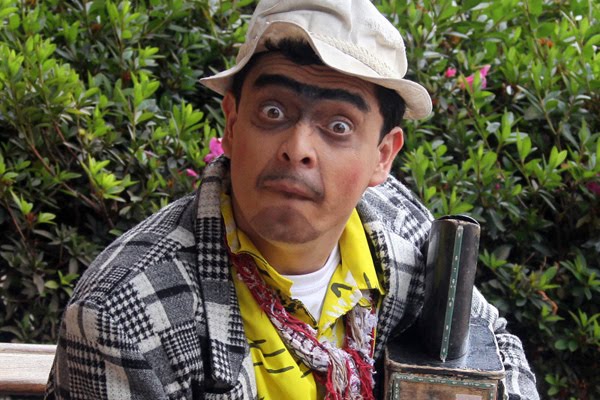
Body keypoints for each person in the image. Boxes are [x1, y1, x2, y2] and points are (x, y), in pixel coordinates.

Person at [45, 1, 539, 399]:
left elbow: (493, 343)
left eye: (338, 125)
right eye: (273, 111)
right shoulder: (123, 315)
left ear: (382, 157)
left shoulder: (402, 229)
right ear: (232, 124)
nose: (297, 148)